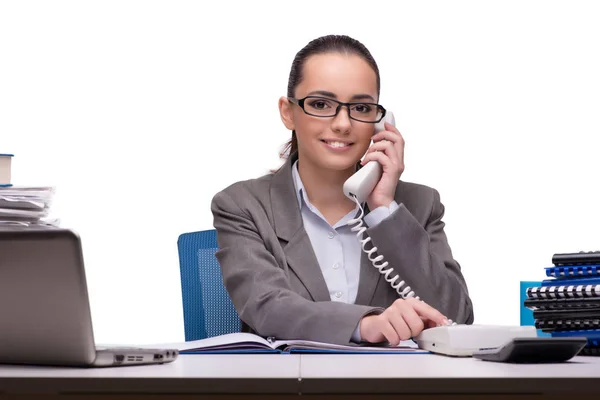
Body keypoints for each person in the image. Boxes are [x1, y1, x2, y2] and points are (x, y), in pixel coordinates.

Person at [211, 34, 473, 346]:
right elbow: (267, 307)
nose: (343, 123)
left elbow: (456, 317)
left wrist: (385, 210)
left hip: (394, 389)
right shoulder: (242, 205)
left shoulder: (419, 204)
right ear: (288, 112)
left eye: (361, 107)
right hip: (291, 389)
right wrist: (365, 324)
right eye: (321, 104)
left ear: (379, 121)